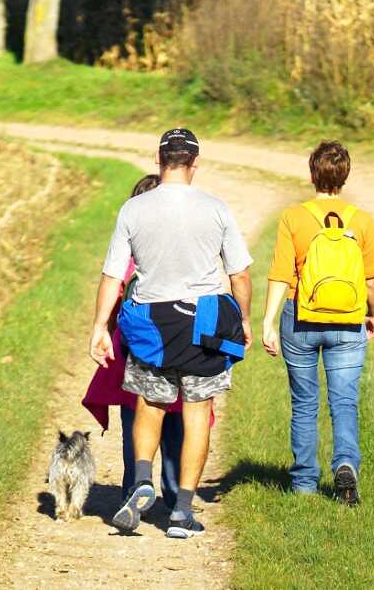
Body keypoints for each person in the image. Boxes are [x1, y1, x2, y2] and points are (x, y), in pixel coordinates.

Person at [89, 128, 253, 539]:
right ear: (195, 163)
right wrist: (245, 321)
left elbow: (112, 275)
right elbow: (240, 274)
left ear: (158, 159)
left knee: (150, 404)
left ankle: (143, 477)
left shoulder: (134, 210)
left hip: (150, 321)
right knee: (198, 413)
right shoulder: (216, 209)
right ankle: (181, 511)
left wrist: (99, 327)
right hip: (204, 321)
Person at [262, 140, 374, 504]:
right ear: (345, 175)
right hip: (347, 320)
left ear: (312, 173)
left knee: (304, 403)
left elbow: (281, 274)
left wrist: (267, 323)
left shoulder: (293, 218)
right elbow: (372, 280)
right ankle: (345, 463)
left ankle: (303, 483)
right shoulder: (362, 220)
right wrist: (372, 313)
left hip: (300, 317)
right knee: (344, 401)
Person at [83, 174, 195, 508]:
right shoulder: (183, 253)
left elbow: (113, 291)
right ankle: (175, 495)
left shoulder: (130, 258)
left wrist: (102, 327)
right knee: (175, 420)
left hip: (134, 347)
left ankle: (132, 490)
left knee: (134, 418)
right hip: (179, 345)